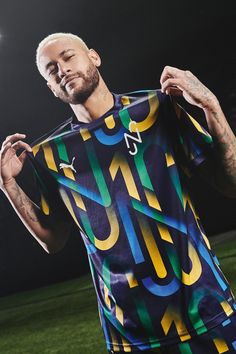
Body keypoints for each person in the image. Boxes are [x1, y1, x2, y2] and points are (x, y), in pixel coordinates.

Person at [0, 32, 236, 354]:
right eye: (51, 69)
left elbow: (231, 184)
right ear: (51, 88)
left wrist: (212, 108)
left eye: (68, 57)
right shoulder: (48, 155)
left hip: (207, 306)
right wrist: (9, 185)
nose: (62, 69)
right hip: (129, 332)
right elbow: (52, 240)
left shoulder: (156, 107)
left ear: (94, 57)